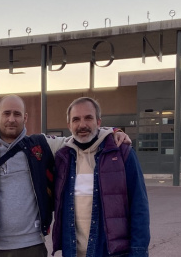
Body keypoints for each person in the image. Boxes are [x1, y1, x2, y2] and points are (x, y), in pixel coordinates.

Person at [0, 94, 130, 257]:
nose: (12, 119)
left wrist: (112, 131)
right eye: (6, 114)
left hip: (33, 246)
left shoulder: (40, 145)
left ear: (25, 118)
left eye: (17, 114)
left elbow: (80, 135)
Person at [52, 97, 150, 257]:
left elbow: (139, 206)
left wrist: (139, 252)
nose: (82, 125)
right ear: (69, 125)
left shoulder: (122, 154)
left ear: (98, 122)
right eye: (76, 119)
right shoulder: (63, 158)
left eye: (88, 118)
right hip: (73, 252)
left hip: (111, 252)